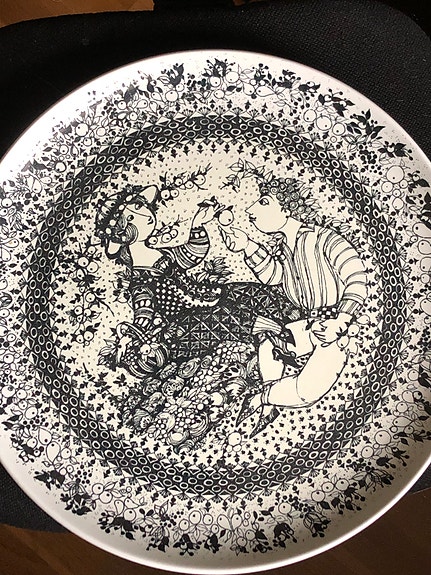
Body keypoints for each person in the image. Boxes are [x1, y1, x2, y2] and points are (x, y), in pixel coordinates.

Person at [220, 176, 367, 437]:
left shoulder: (323, 239)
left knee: (306, 391)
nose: (252, 211)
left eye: (264, 202)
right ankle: (270, 405)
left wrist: (341, 320)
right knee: (269, 344)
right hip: (308, 323)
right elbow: (276, 276)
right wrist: (247, 246)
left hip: (336, 327)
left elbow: (356, 276)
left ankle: (262, 399)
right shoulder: (285, 248)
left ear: (288, 207)